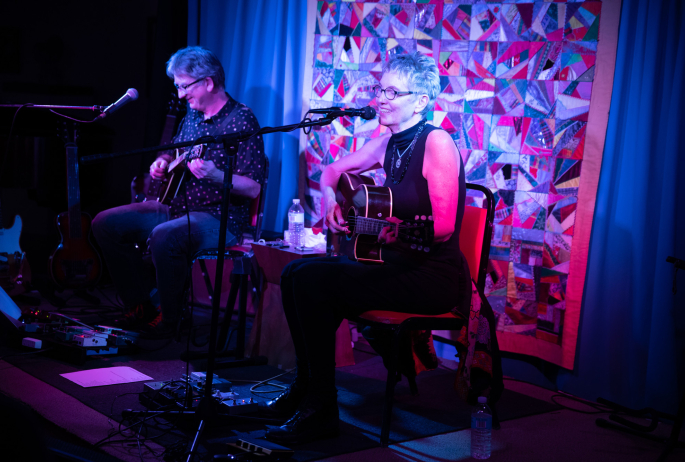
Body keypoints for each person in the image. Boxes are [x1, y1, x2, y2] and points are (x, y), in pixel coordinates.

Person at [263, 52, 471, 445]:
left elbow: (442, 228)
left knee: (313, 282)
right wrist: (329, 202)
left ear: (421, 101)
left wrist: (398, 231)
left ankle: (321, 406)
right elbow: (330, 173)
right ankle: (307, 390)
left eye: (393, 91)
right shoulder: (389, 143)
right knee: (293, 273)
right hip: (393, 266)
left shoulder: (437, 142)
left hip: (430, 277)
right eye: (380, 89)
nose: (381, 98)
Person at [92, 46, 266, 339]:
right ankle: (140, 305)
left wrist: (216, 174)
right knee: (104, 223)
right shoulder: (192, 118)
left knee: (165, 235)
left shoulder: (242, 121)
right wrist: (161, 164)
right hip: (174, 207)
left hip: (218, 217)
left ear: (208, 82)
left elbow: (253, 188)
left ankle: (169, 320)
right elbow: (174, 155)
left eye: (184, 86)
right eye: (178, 87)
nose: (182, 95)